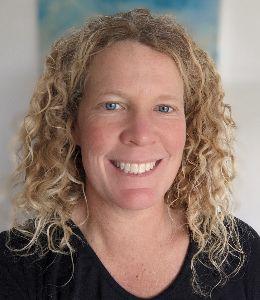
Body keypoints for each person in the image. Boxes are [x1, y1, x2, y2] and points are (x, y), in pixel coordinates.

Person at [0, 8, 259, 300]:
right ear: (72, 123)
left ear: (190, 127)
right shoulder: (15, 266)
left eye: (164, 108)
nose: (141, 133)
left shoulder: (240, 255)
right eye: (113, 105)